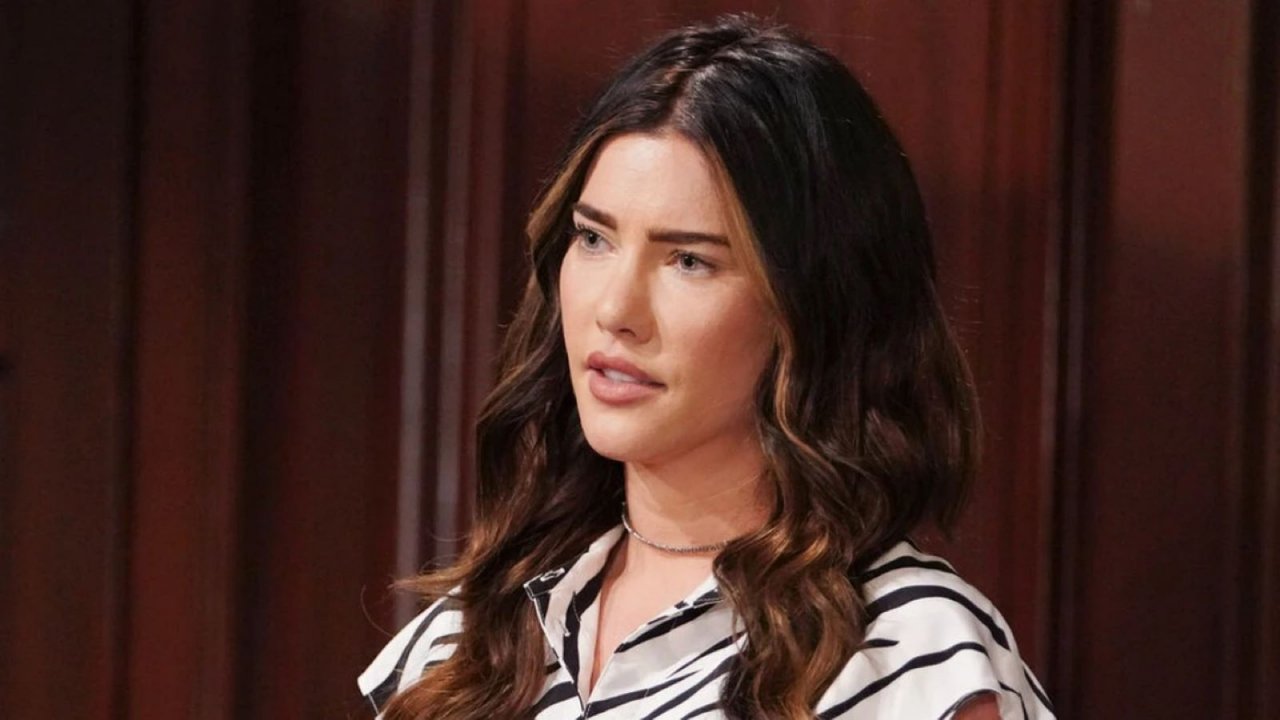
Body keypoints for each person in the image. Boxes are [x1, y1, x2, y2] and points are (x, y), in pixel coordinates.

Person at [358, 14, 1054, 720]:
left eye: (689, 260)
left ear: (809, 305)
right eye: (594, 238)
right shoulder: (467, 643)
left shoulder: (914, 657)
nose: (615, 309)